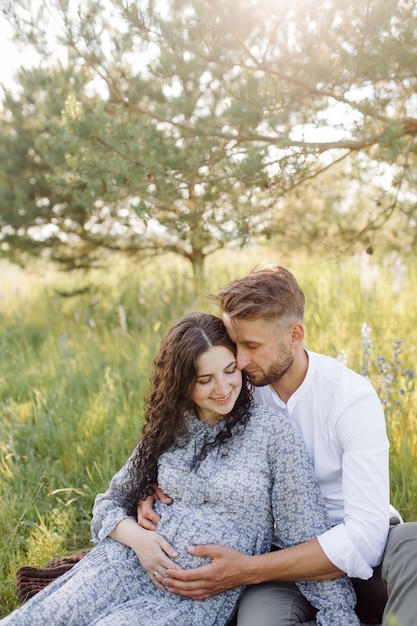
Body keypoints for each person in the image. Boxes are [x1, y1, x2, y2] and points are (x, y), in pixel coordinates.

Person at [1, 312, 360, 626]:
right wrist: (140, 542)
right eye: (205, 380)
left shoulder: (271, 432)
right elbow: (107, 506)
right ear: (182, 384)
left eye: (230, 370)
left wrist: (340, 616)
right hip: (121, 564)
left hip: (189, 596)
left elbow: (305, 530)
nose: (223, 388)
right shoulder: (169, 428)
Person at [137, 267, 417, 626]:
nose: (238, 361)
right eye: (236, 344)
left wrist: (248, 570)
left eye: (252, 346)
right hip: (281, 562)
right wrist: (153, 486)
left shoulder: (350, 399)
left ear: (294, 335)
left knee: (413, 543)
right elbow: (177, 436)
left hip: (363, 558)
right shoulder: (237, 392)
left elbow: (366, 536)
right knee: (261, 621)